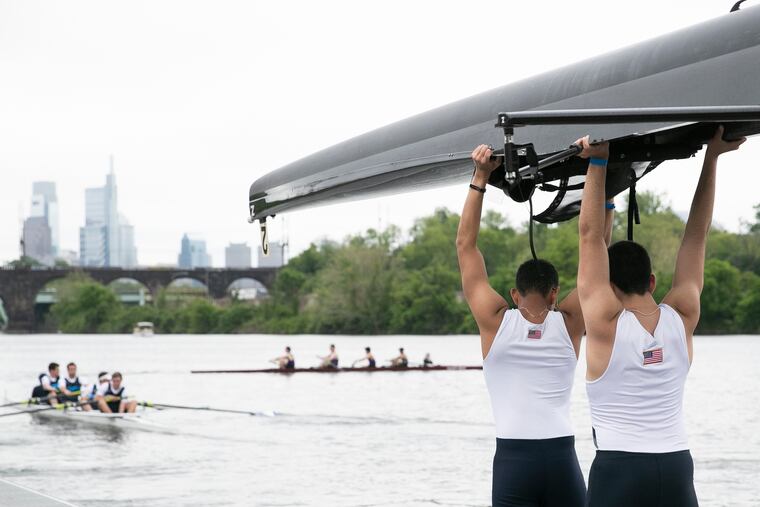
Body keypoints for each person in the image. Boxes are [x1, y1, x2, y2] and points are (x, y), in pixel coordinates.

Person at [575, 126, 745, 507]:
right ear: (651, 280)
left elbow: (589, 237)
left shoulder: (606, 322)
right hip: (675, 468)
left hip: (619, 470)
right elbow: (697, 236)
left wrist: (598, 161)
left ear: (608, 284)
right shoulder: (682, 314)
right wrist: (712, 156)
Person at [457, 144, 613, 507]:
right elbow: (596, 256)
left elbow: (465, 246)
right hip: (561, 458)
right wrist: (604, 185)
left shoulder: (495, 322)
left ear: (514, 293)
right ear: (555, 292)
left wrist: (480, 176)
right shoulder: (571, 321)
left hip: (513, 460)